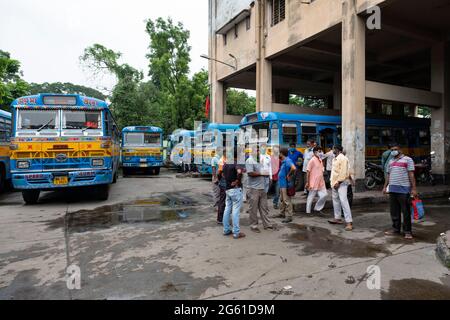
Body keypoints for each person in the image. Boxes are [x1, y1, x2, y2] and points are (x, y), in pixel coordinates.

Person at [383, 143, 417, 240]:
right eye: (392, 149)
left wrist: (414, 188)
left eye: (395, 149)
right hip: (392, 190)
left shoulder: (408, 159)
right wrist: (385, 187)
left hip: (404, 190)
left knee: (405, 211)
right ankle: (395, 229)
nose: (393, 151)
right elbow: (388, 176)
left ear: (400, 150)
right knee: (394, 211)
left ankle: (408, 231)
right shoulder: (390, 161)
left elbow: (411, 175)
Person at [246, 145, 276, 233]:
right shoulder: (250, 160)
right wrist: (262, 173)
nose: (258, 152)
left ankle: (267, 224)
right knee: (253, 208)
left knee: (264, 207)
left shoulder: (261, 160)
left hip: (263, 187)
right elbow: (250, 173)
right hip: (254, 188)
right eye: (256, 151)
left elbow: (266, 170)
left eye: (258, 151)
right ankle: (254, 225)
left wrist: (267, 177)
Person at [218, 152, 246, 240]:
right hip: (235, 190)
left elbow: (219, 174)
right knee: (235, 211)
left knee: (227, 209)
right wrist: (237, 181)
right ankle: (236, 232)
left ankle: (226, 230)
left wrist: (225, 181)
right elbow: (240, 172)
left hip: (227, 189)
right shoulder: (235, 164)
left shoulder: (225, 164)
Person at [328, 145, 353, 231]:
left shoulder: (343, 158)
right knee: (336, 201)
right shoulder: (335, 158)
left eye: (333, 149)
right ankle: (337, 218)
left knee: (343, 201)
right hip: (334, 183)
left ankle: (349, 222)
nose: (332, 150)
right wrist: (334, 182)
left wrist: (339, 182)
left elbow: (343, 172)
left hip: (341, 183)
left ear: (337, 150)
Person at [275, 148, 297, 223]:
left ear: (281, 153)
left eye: (279, 153)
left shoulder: (288, 160)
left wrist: (288, 175)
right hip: (282, 184)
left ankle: (289, 216)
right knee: (282, 200)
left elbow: (294, 168)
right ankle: (282, 213)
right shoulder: (284, 161)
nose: (278, 154)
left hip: (285, 184)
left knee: (286, 200)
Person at [306, 147, 328, 216]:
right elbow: (308, 171)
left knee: (324, 195)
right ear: (315, 152)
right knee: (311, 197)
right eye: (319, 151)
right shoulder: (312, 160)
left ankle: (317, 208)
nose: (320, 152)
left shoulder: (320, 160)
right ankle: (308, 212)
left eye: (321, 151)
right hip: (313, 182)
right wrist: (307, 182)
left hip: (321, 182)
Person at [216, 151, 227, 225]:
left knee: (225, 201)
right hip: (224, 183)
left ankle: (223, 218)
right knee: (222, 201)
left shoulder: (225, 159)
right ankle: (220, 219)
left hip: (225, 183)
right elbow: (219, 173)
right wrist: (220, 180)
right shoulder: (222, 160)